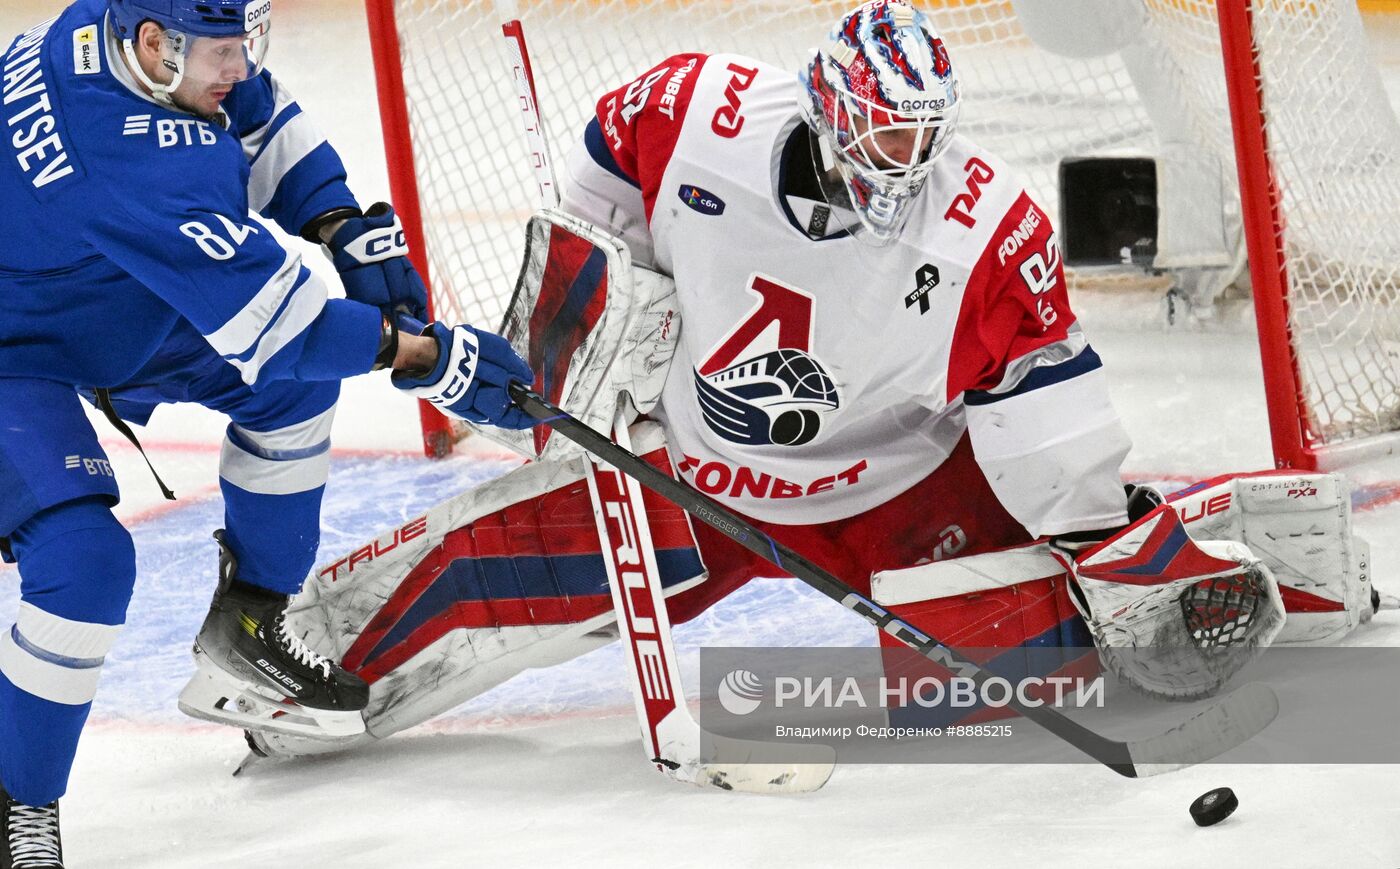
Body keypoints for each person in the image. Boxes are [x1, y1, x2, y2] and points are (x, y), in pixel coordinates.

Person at [251, 0, 1333, 765]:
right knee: (496, 560)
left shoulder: (983, 231)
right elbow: (594, 213)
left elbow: (1042, 421)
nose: (903, 158)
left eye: (921, 133)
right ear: (827, 106)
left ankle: (1233, 548)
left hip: (902, 493)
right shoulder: (693, 115)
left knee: (979, 700)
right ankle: (293, 660)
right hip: (695, 473)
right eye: (883, 129)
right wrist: (586, 348)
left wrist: (1100, 537)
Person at [0, 0, 533, 863]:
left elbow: (257, 110)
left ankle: (247, 626)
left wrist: (338, 220)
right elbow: (286, 334)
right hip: (12, 345)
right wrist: (433, 357)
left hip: (95, 290)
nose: (239, 67)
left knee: (291, 397)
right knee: (82, 563)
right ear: (155, 47)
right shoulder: (123, 162)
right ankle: (17, 796)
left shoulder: (116, 32)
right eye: (223, 51)